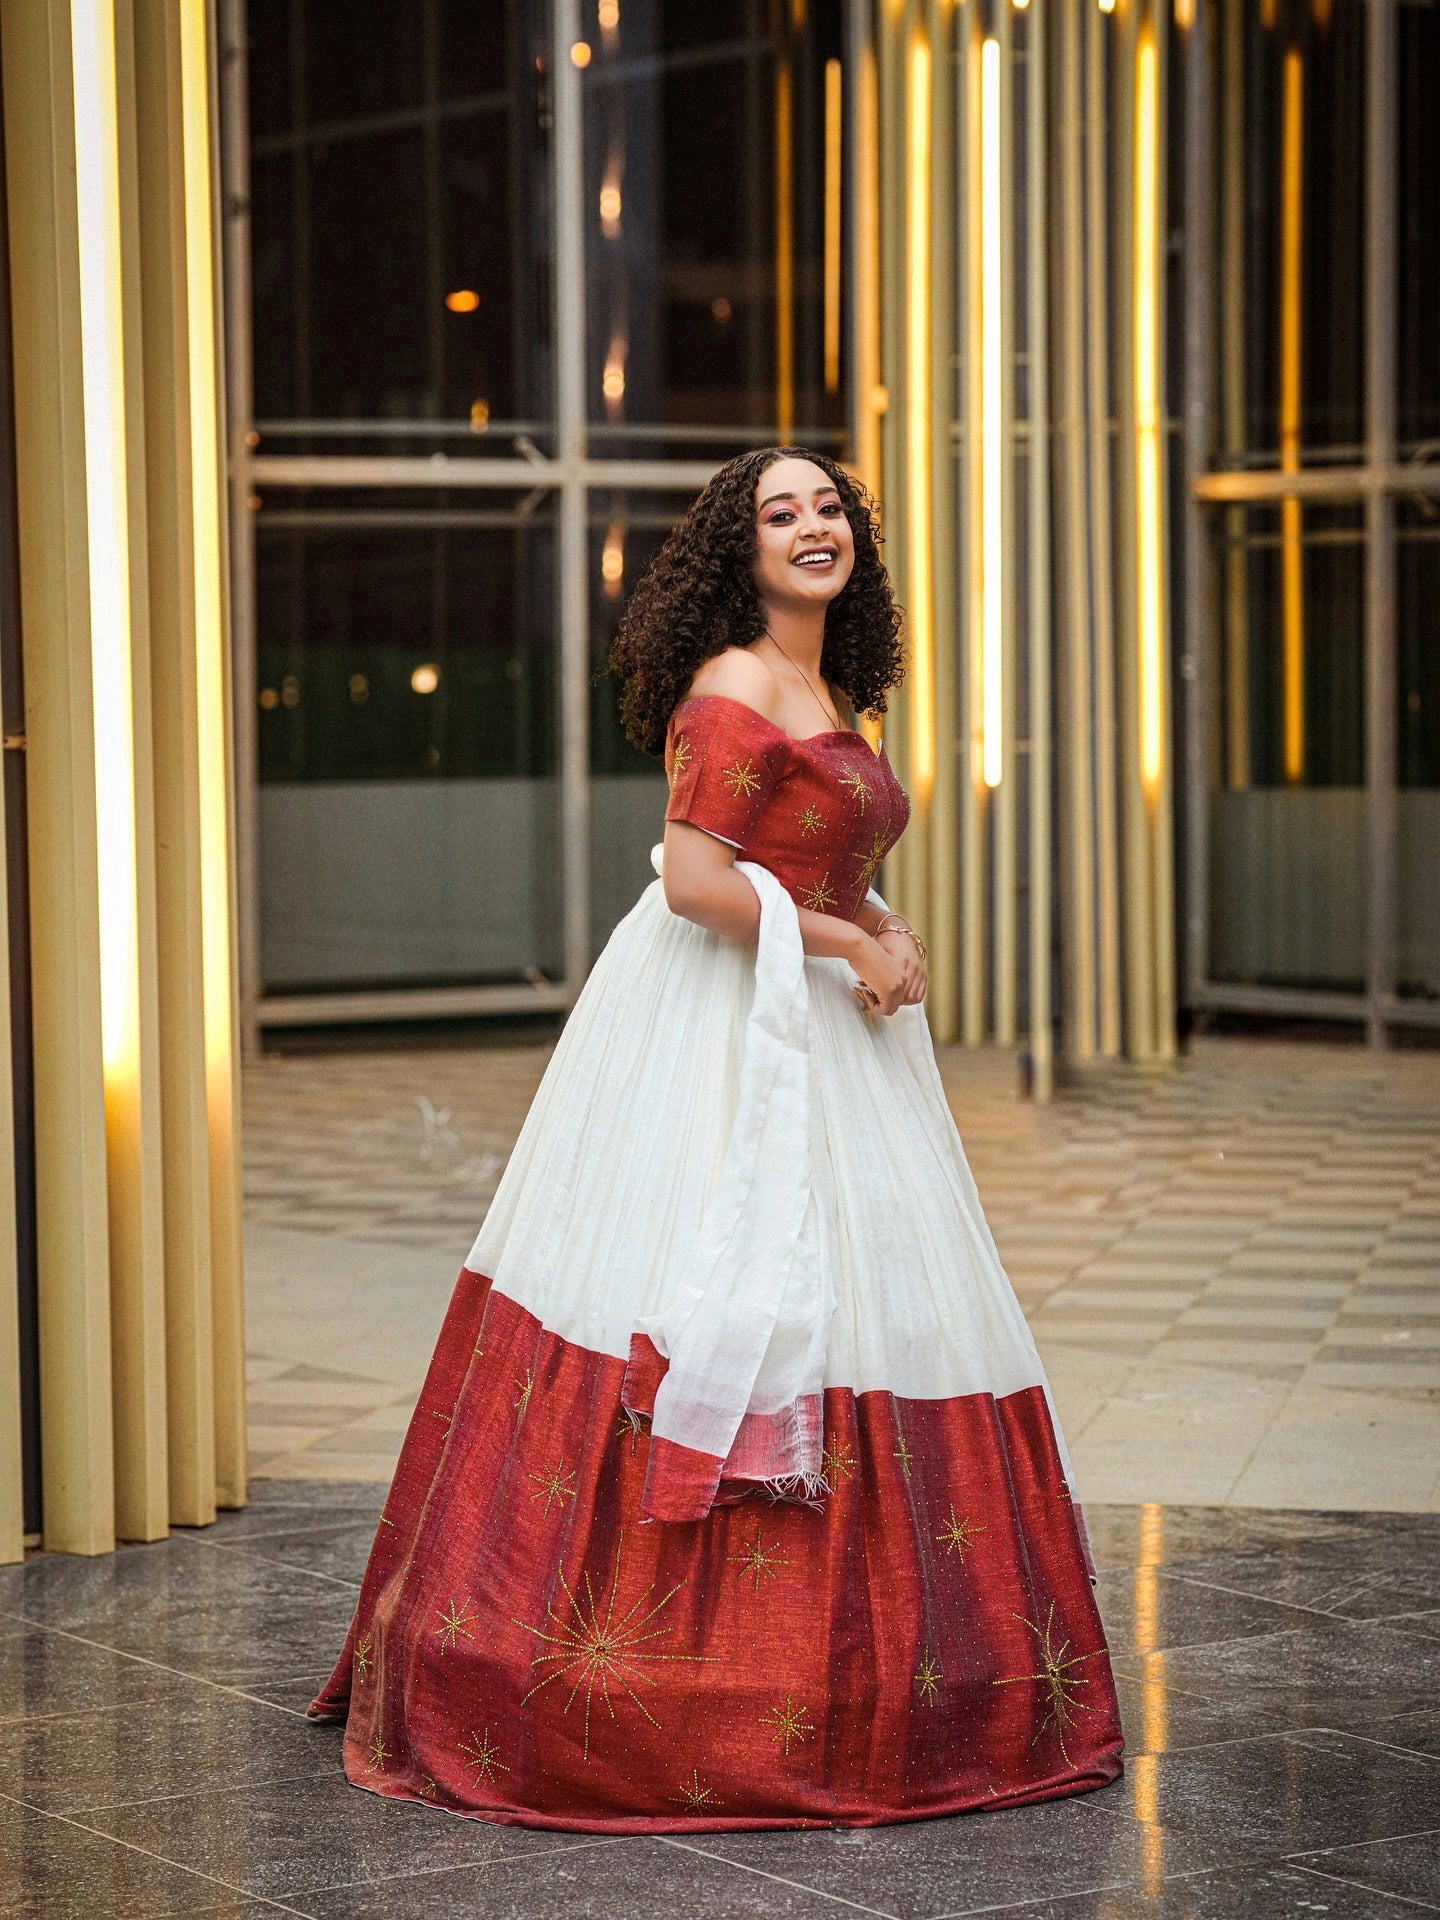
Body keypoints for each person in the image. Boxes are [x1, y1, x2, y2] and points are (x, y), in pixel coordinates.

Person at [308, 447, 1123, 1832]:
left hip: (822, 1019)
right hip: (719, 1029)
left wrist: (884, 921)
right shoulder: (733, 686)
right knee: (712, 1273)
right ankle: (668, 1697)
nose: (813, 527)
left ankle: (856, 1681)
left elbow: (817, 852)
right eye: (779, 512)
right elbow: (694, 884)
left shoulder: (832, 686)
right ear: (737, 554)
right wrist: (838, 938)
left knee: (855, 1299)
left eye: (828, 507)